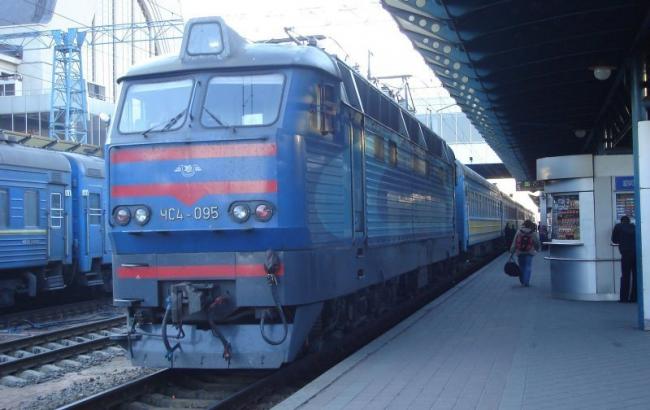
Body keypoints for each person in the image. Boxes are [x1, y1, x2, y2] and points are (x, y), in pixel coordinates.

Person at [611, 215, 637, 303]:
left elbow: (614, 240)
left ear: (621, 221)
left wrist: (621, 239)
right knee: (636, 276)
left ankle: (624, 298)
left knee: (625, 276)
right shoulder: (634, 227)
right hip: (636, 253)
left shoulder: (618, 227)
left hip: (626, 254)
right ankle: (634, 298)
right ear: (629, 221)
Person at [510, 219, 541, 286]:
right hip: (529, 252)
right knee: (528, 267)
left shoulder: (519, 231)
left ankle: (522, 281)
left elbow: (514, 242)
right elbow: (536, 242)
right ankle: (526, 282)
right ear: (530, 225)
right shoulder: (532, 232)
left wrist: (512, 251)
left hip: (520, 252)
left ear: (524, 224)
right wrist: (537, 249)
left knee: (521, 267)